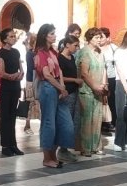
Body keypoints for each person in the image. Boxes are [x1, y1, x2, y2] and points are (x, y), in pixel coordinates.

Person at [35, 24, 71, 169]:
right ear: (45, 36)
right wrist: (60, 87)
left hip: (57, 87)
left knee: (64, 123)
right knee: (49, 123)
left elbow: (59, 70)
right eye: (52, 33)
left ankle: (54, 154)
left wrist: (62, 86)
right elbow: (46, 74)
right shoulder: (40, 53)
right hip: (48, 88)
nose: (55, 36)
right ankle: (47, 157)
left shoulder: (53, 51)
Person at [76, 28, 107, 157]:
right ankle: (85, 147)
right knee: (87, 120)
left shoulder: (100, 52)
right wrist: (94, 86)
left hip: (99, 90)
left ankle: (96, 146)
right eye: (96, 38)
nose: (99, 40)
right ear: (89, 39)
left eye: (100, 37)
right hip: (87, 90)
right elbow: (84, 73)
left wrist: (104, 85)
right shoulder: (84, 52)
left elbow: (104, 69)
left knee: (97, 119)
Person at [0, 28, 24, 156]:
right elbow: (2, 72)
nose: (14, 38)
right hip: (6, 88)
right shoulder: (1, 53)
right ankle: (5, 145)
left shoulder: (16, 52)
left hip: (15, 87)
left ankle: (13, 144)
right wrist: (11, 76)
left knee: (13, 116)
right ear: (5, 39)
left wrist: (20, 74)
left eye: (14, 36)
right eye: (11, 36)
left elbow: (21, 69)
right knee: (5, 116)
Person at [56, 34, 81, 163]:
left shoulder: (72, 58)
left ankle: (66, 148)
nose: (77, 48)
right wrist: (74, 80)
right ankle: (62, 149)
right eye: (75, 45)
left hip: (74, 92)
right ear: (67, 45)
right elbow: (60, 76)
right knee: (66, 122)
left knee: (73, 121)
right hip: (67, 93)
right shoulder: (59, 58)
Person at [100, 27, 117, 134]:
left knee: (112, 99)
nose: (100, 39)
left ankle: (113, 122)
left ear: (107, 38)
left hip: (112, 77)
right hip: (99, 77)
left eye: (102, 37)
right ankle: (102, 122)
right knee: (100, 100)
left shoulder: (113, 48)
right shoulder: (96, 48)